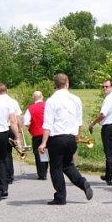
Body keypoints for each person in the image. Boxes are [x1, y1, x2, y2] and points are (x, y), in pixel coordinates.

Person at [37, 74, 93, 205]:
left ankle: (60, 197)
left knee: (55, 168)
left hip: (57, 138)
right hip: (71, 137)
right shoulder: (76, 99)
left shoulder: (51, 100)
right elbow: (79, 120)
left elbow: (48, 124)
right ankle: (82, 182)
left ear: (55, 85)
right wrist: (77, 136)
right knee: (68, 164)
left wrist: (44, 142)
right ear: (67, 83)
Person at [89, 78, 112, 186]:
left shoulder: (109, 99)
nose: (104, 88)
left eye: (106, 86)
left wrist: (93, 123)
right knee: (111, 152)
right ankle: (108, 175)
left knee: (110, 154)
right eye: (103, 86)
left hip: (109, 128)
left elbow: (102, 114)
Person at [0, 83, 23, 184]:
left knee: (3, 153)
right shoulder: (13, 101)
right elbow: (18, 118)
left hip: (2, 128)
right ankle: (10, 175)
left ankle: (4, 175)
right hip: (12, 128)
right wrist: (19, 131)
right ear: (7, 90)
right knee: (9, 153)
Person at [23, 90, 48, 180]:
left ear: (33, 98)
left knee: (38, 153)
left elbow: (26, 122)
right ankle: (45, 171)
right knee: (45, 152)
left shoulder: (31, 108)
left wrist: (31, 125)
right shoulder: (48, 106)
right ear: (42, 97)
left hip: (37, 133)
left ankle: (41, 174)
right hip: (48, 133)